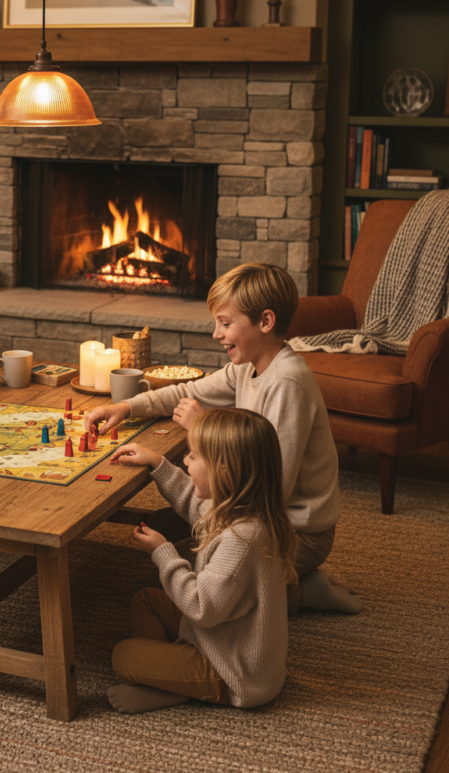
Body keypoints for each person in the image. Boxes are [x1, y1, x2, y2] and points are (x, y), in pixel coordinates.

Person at [85, 263, 361, 614]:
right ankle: (290, 580)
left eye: (226, 323)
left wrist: (205, 429)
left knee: (186, 569)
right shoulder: (247, 365)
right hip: (251, 512)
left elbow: (270, 489)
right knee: (159, 525)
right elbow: (188, 390)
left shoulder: (288, 385)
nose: (216, 333)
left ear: (265, 322)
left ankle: (298, 591)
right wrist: (127, 406)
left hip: (292, 529)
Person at [107, 408, 297, 714]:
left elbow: (201, 608)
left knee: (122, 656)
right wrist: (158, 463)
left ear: (223, 469)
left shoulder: (243, 539)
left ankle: (178, 687)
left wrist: (163, 552)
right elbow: (195, 503)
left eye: (193, 456)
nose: (185, 461)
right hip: (215, 638)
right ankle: (172, 678)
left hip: (233, 672)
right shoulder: (237, 509)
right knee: (147, 600)